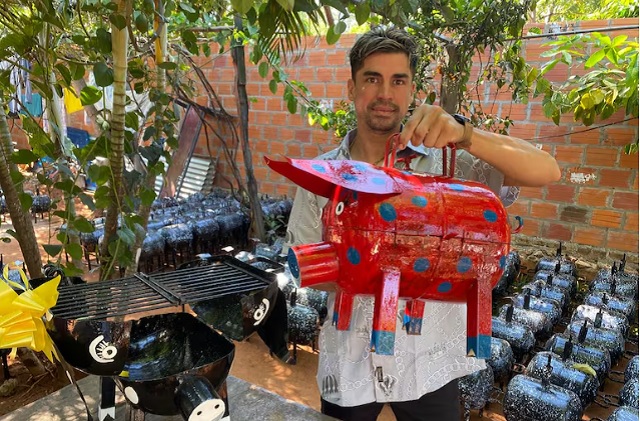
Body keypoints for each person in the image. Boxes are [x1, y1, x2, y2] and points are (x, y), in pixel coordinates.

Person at [283, 26, 561, 421]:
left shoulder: (448, 162)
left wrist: (465, 134)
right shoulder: (325, 175)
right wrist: (371, 260)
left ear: (412, 89)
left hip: (429, 361)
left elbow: (547, 170)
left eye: (398, 81)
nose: (385, 93)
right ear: (351, 88)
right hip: (350, 356)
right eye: (372, 79)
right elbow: (306, 264)